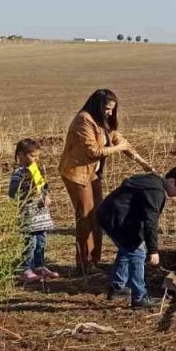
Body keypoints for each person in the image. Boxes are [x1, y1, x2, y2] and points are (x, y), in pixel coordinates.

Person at [59, 89, 151, 275]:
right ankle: (84, 263)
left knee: (97, 215)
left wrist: (142, 162)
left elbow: (120, 140)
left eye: (112, 110)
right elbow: (93, 151)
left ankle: (95, 259)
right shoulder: (83, 120)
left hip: (93, 173)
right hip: (77, 172)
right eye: (107, 109)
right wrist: (118, 148)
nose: (110, 113)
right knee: (85, 216)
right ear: (97, 106)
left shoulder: (103, 122)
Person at [98, 165, 176, 308]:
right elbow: (150, 222)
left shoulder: (154, 183)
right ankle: (139, 297)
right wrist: (153, 250)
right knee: (137, 252)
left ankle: (118, 287)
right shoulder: (156, 191)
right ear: (171, 181)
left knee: (127, 249)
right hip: (116, 218)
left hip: (112, 215)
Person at [8, 139, 59, 282]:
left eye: (37, 156)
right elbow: (12, 193)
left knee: (41, 241)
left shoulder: (35, 169)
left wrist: (47, 196)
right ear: (21, 155)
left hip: (41, 215)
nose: (35, 159)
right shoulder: (18, 173)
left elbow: (44, 186)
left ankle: (39, 265)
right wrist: (28, 193)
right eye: (32, 156)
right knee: (30, 243)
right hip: (29, 214)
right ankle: (26, 269)